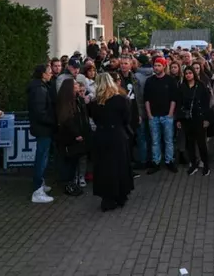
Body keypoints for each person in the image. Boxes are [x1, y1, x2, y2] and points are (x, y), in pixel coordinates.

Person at [89, 74, 134, 212]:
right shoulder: (121, 100)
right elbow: (126, 118)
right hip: (117, 136)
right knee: (119, 165)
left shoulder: (95, 103)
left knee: (104, 167)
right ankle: (120, 195)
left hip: (102, 137)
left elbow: (95, 119)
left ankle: (107, 197)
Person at [143, 57, 178, 174]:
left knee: (168, 140)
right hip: (154, 116)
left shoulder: (170, 80)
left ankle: (169, 161)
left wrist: (170, 114)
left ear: (164, 66)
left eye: (159, 65)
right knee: (155, 141)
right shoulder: (149, 81)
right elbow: (146, 99)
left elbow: (174, 98)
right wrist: (149, 114)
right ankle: (156, 162)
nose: (156, 67)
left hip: (166, 116)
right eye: (155, 65)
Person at [27, 64, 55, 204]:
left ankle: (40, 184)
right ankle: (37, 190)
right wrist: (53, 121)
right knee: (41, 158)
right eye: (49, 72)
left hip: (43, 128)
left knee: (42, 156)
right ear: (43, 74)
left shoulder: (42, 87)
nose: (51, 74)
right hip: (43, 128)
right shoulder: (39, 89)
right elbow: (40, 112)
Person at [176, 67, 213, 177]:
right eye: (186, 73)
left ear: (194, 74)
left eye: (190, 73)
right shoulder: (182, 87)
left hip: (199, 118)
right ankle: (194, 164)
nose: (188, 75)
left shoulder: (201, 85)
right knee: (189, 143)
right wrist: (178, 119)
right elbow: (179, 103)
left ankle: (206, 165)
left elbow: (207, 104)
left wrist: (206, 119)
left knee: (201, 143)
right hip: (187, 119)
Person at [55, 78, 88, 196]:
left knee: (76, 159)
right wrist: (76, 134)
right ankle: (69, 183)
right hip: (69, 137)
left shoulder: (77, 100)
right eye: (75, 84)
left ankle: (74, 181)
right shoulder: (65, 102)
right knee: (69, 161)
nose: (77, 85)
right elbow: (67, 120)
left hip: (77, 134)